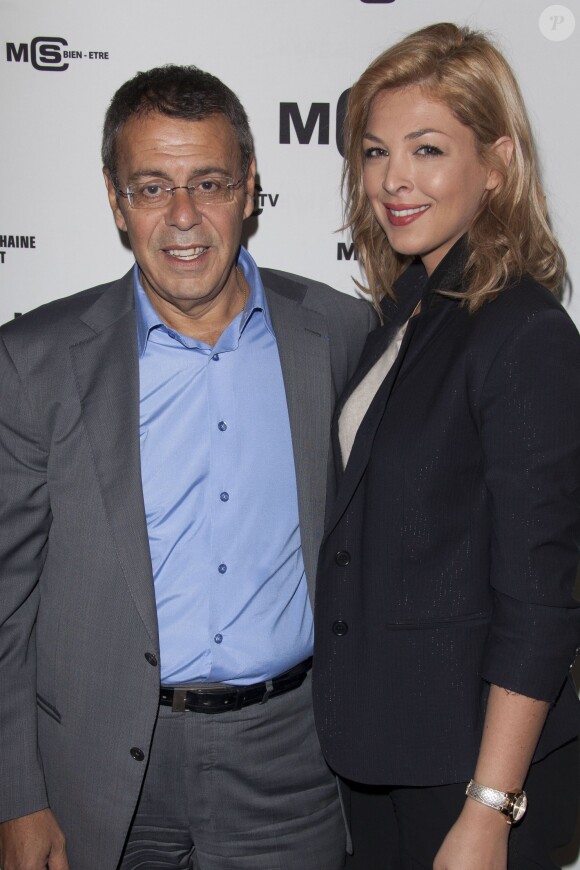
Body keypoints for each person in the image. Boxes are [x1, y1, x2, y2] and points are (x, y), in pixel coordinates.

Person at [0, 64, 375, 870]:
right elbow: (4, 605)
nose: (182, 217)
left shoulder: (339, 334)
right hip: (95, 765)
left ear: (249, 190)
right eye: (150, 187)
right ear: (114, 198)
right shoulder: (36, 362)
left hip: (292, 759)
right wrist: (16, 796)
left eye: (208, 182)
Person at [312, 22, 580, 869]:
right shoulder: (413, 305)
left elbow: (541, 596)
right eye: (376, 151)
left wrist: (491, 809)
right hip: (385, 752)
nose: (394, 180)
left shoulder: (523, 330)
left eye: (427, 149)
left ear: (496, 163)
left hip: (474, 772)